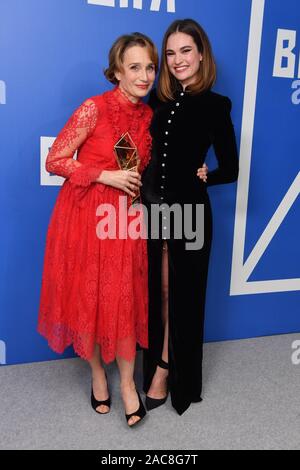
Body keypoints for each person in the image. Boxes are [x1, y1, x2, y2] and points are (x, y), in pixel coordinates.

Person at [38, 33, 158, 427]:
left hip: (126, 222)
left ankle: (127, 385)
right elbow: (55, 159)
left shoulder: (147, 117)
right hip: (86, 218)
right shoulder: (94, 109)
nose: (144, 76)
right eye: (135, 67)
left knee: (123, 301)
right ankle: (95, 376)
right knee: (87, 300)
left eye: (150, 67)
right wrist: (104, 174)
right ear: (118, 71)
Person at [141, 19, 239, 415]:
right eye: (170, 53)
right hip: (153, 211)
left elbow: (230, 168)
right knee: (159, 292)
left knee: (185, 295)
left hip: (191, 214)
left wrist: (207, 174)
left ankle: (167, 370)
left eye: (185, 51)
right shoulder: (155, 103)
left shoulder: (217, 106)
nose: (178, 60)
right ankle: (156, 362)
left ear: (201, 54)